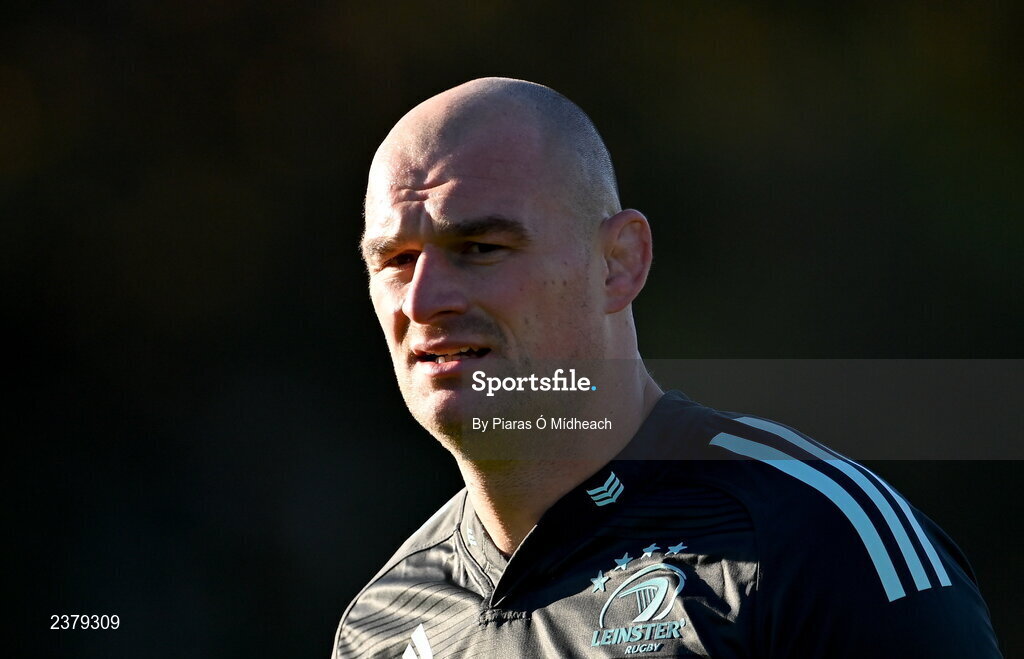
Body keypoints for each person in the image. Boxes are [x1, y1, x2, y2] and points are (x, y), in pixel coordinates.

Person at [333, 77, 1001, 658]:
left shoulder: (817, 542)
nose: (423, 300)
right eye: (395, 260)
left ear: (618, 263)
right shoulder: (382, 624)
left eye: (479, 246)